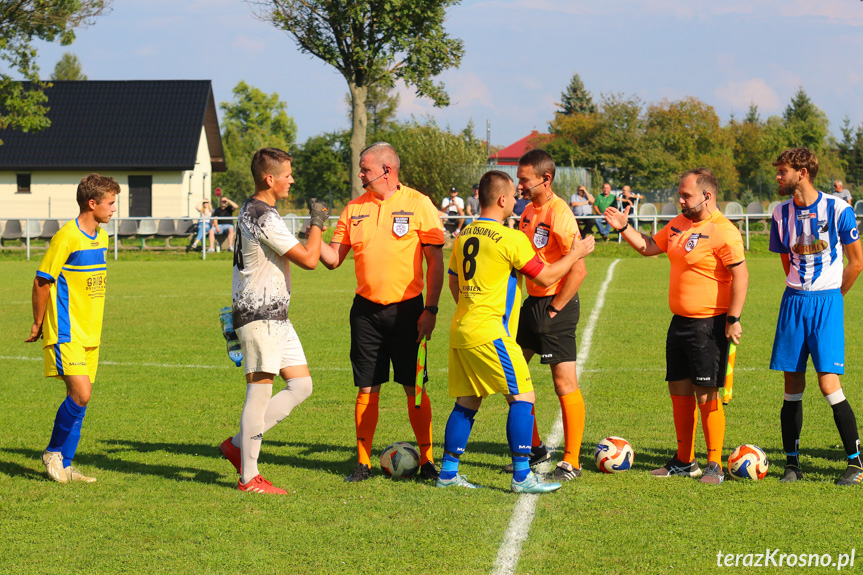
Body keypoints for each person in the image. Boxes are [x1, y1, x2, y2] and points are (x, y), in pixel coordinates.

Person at [438, 170, 595, 491]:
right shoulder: (511, 239)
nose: (516, 199)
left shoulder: (465, 233)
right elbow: (547, 276)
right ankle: (523, 476)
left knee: (467, 401)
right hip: (490, 331)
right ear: (501, 199)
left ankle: (448, 473)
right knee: (523, 396)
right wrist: (576, 253)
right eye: (512, 195)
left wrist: (470, 306)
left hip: (462, 328)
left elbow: (453, 279)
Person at [604, 167, 748, 485]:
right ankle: (685, 461)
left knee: (707, 394)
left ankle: (714, 463)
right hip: (679, 323)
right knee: (679, 391)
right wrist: (624, 227)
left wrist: (733, 318)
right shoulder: (678, 224)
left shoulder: (724, 231)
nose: (680, 199)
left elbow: (741, 275)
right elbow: (647, 247)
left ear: (706, 195)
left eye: (686, 195)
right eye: (679, 194)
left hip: (709, 325)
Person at [319, 142, 444, 483]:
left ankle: (429, 461)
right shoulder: (353, 209)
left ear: (387, 171)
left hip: (409, 312)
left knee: (414, 388)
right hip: (365, 313)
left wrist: (430, 309)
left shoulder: (419, 204)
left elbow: (435, 262)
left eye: (365, 169)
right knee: (366, 389)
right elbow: (333, 260)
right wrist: (315, 231)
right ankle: (363, 462)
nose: (360, 175)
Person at [217, 147, 327, 495]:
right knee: (259, 393)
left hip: (276, 316)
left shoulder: (259, 211)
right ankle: (249, 477)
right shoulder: (262, 215)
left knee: (302, 386)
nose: (292, 180)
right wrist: (319, 223)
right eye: (288, 175)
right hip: (260, 315)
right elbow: (310, 260)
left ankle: (238, 444)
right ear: (270, 179)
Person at [769, 148, 863, 485]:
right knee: (792, 384)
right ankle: (792, 465)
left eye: (783, 172)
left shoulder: (839, 208)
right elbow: (786, 261)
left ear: (803, 172)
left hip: (827, 302)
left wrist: (835, 298)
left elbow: (856, 262)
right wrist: (798, 287)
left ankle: (855, 463)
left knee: (828, 383)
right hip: (794, 301)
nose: (778, 178)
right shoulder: (780, 214)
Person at [26, 173, 120, 483]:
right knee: (81, 393)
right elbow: (42, 281)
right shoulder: (67, 236)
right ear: (92, 204)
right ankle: (53, 452)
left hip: (91, 331)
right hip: (66, 331)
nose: (114, 209)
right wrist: (39, 323)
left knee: (80, 399)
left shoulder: (102, 237)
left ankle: (65, 466)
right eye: (110, 203)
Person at [512, 149, 590, 482]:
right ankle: (536, 449)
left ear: (546, 178)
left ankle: (572, 460)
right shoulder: (528, 211)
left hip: (556, 305)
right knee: (511, 378)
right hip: (531, 305)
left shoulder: (560, 213)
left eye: (524, 179)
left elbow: (579, 268)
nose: (519, 185)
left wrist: (556, 307)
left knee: (563, 383)